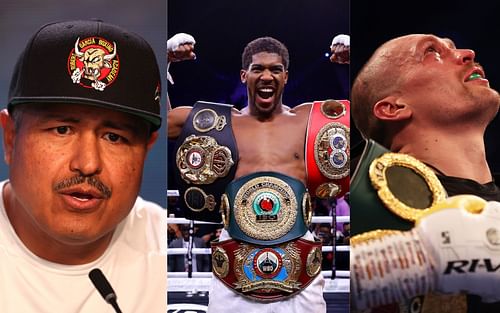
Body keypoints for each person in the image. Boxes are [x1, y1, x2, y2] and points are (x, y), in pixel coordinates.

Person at [168, 34, 350, 312]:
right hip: (234, 275)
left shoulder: (308, 121)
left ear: (286, 77)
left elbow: (370, 124)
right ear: (244, 76)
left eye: (275, 69)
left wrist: (353, 64)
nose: (267, 76)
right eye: (258, 69)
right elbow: (156, 124)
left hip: (300, 274)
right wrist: (163, 61)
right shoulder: (219, 124)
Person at [0, 20, 166, 312]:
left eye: (114, 137)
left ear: (146, 149)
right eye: (62, 129)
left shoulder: (164, 253)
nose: (88, 164)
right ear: (10, 138)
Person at [350, 34, 500, 312]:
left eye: (455, 47)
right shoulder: (367, 204)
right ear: (392, 108)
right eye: (432, 52)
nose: (468, 53)